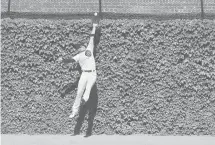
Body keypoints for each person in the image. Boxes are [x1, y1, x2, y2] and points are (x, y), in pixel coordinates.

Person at [57, 23, 99, 118]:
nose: (81, 47)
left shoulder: (89, 49)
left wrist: (94, 27)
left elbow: (92, 37)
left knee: (88, 89)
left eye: (80, 46)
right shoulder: (78, 56)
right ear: (78, 49)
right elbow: (70, 60)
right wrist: (62, 60)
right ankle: (74, 111)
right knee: (79, 92)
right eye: (79, 47)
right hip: (84, 74)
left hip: (92, 74)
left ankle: (85, 100)